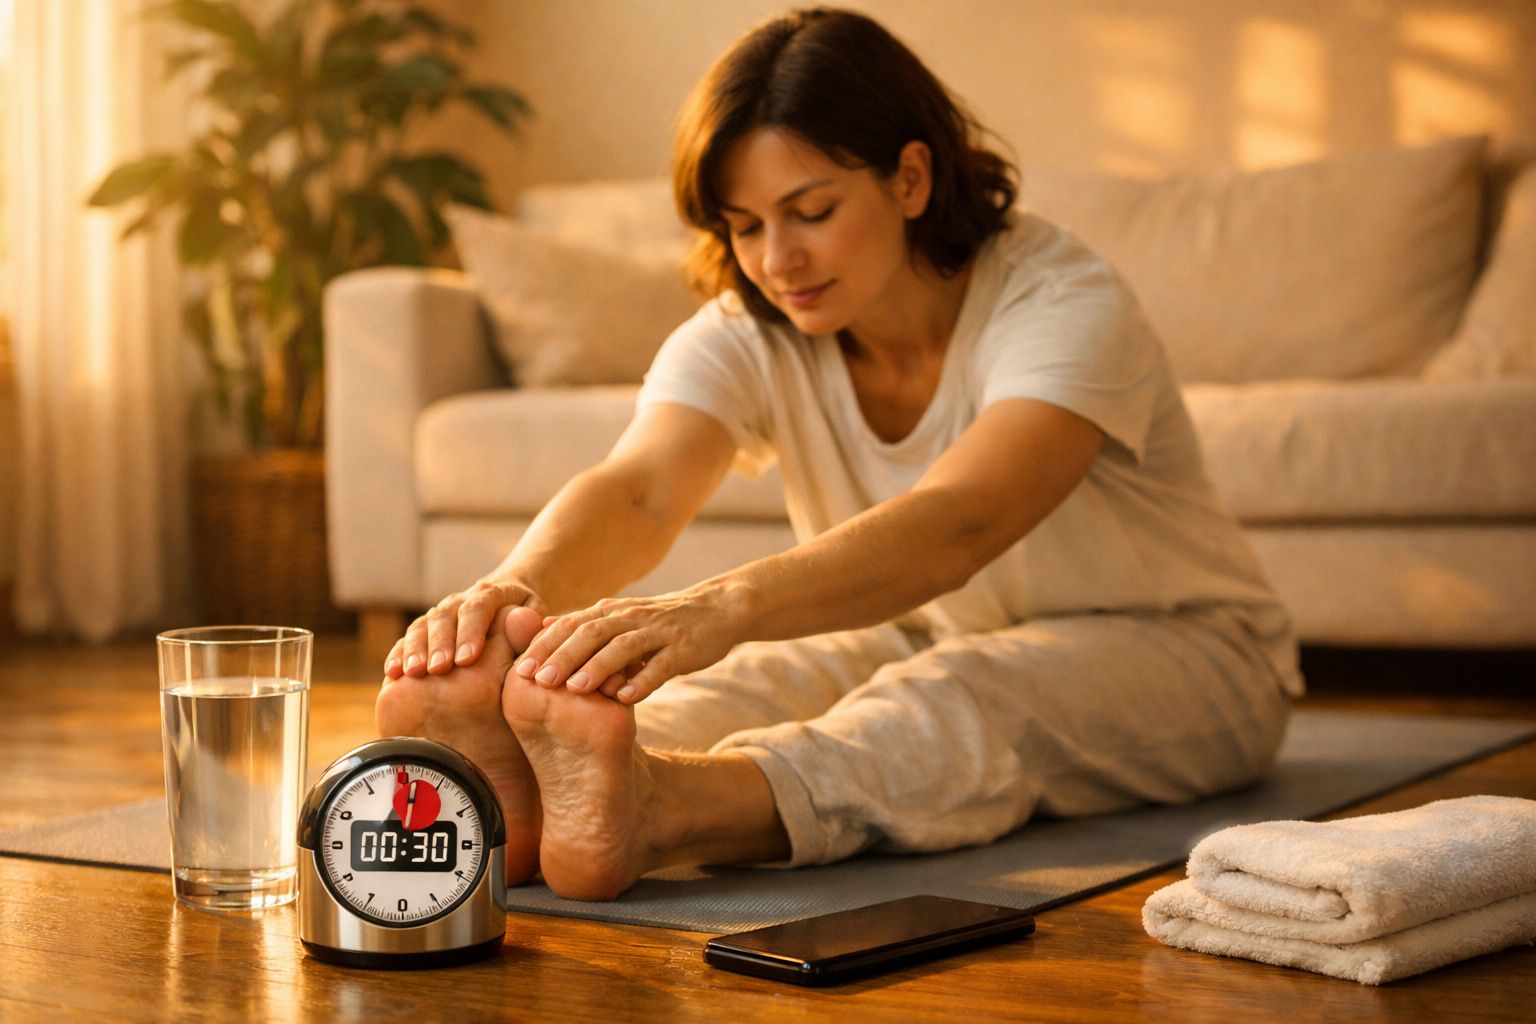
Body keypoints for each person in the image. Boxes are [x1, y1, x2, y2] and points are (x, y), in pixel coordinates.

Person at [376, 7, 1302, 901]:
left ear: (910, 178)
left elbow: (961, 521)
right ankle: (525, 792)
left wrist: (721, 603)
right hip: (921, 626)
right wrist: (515, 591)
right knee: (746, 684)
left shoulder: (1064, 302)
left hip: (1189, 649)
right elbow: (640, 489)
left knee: (957, 698)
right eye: (744, 227)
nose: (776, 259)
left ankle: (663, 813)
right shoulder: (750, 329)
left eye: (810, 210)